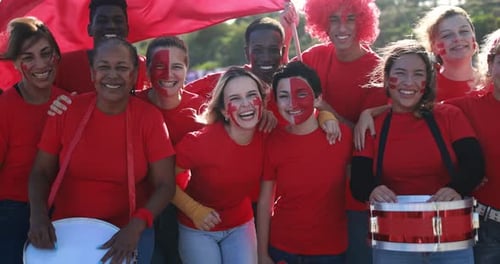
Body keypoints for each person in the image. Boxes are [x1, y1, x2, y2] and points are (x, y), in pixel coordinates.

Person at [28, 37, 176, 264]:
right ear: (92, 73)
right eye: (103, 67)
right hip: (65, 232)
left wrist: (136, 226)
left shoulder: (149, 118)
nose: (112, 75)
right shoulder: (67, 111)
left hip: (127, 231)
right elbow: (41, 172)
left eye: (122, 67)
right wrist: (37, 216)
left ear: (134, 74)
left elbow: (165, 186)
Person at [350, 39, 484, 264]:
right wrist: (372, 190)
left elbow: (475, 164)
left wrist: (456, 187)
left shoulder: (449, 116)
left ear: (428, 81)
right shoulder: (372, 124)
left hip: (451, 237)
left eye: (418, 74)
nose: (409, 82)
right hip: (393, 239)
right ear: (385, 79)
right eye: (400, 73)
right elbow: (359, 181)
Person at [280, 1, 387, 262]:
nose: (341, 27)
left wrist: (327, 110)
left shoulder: (377, 71)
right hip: (312, 193)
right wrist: (285, 33)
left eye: (350, 19)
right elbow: (281, 83)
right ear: (321, 23)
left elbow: (366, 140)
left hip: (354, 197)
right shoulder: (314, 56)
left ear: (363, 23)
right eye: (333, 19)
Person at [257, 61, 352, 264]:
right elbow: (265, 203)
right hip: (282, 249)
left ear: (318, 98)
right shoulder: (272, 140)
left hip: (330, 252)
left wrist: (328, 115)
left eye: (301, 94)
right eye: (283, 96)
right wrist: (262, 254)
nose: (291, 104)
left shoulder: (342, 136)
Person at [171, 67, 266, 264]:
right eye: (235, 98)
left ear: (262, 102)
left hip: (240, 223)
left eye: (251, 95)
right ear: (223, 110)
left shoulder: (268, 134)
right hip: (197, 227)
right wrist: (192, 209)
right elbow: (162, 180)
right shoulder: (200, 142)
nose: (246, 104)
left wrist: (326, 117)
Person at [0, 16, 67, 264]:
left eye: (45, 53)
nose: (40, 64)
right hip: (12, 215)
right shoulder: (4, 107)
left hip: (62, 214)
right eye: (28, 57)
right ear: (16, 63)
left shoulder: (69, 101)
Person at [135, 36, 205, 264]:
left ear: (187, 70)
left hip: (185, 210)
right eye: (159, 67)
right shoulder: (129, 105)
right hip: (137, 210)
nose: (167, 75)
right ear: (147, 71)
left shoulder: (202, 111)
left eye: (176, 67)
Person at [445, 29, 500, 264]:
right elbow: (414, 106)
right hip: (487, 229)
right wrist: (370, 112)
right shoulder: (465, 107)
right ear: (490, 63)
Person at [54, 0, 149, 94]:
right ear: (90, 29)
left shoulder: (142, 66)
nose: (111, 26)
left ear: (127, 29)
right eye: (102, 21)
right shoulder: (65, 65)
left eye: (118, 21)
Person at [414, 5, 484, 101]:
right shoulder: (423, 88)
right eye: (447, 35)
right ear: (433, 46)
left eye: (464, 31)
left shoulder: (492, 83)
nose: (458, 38)